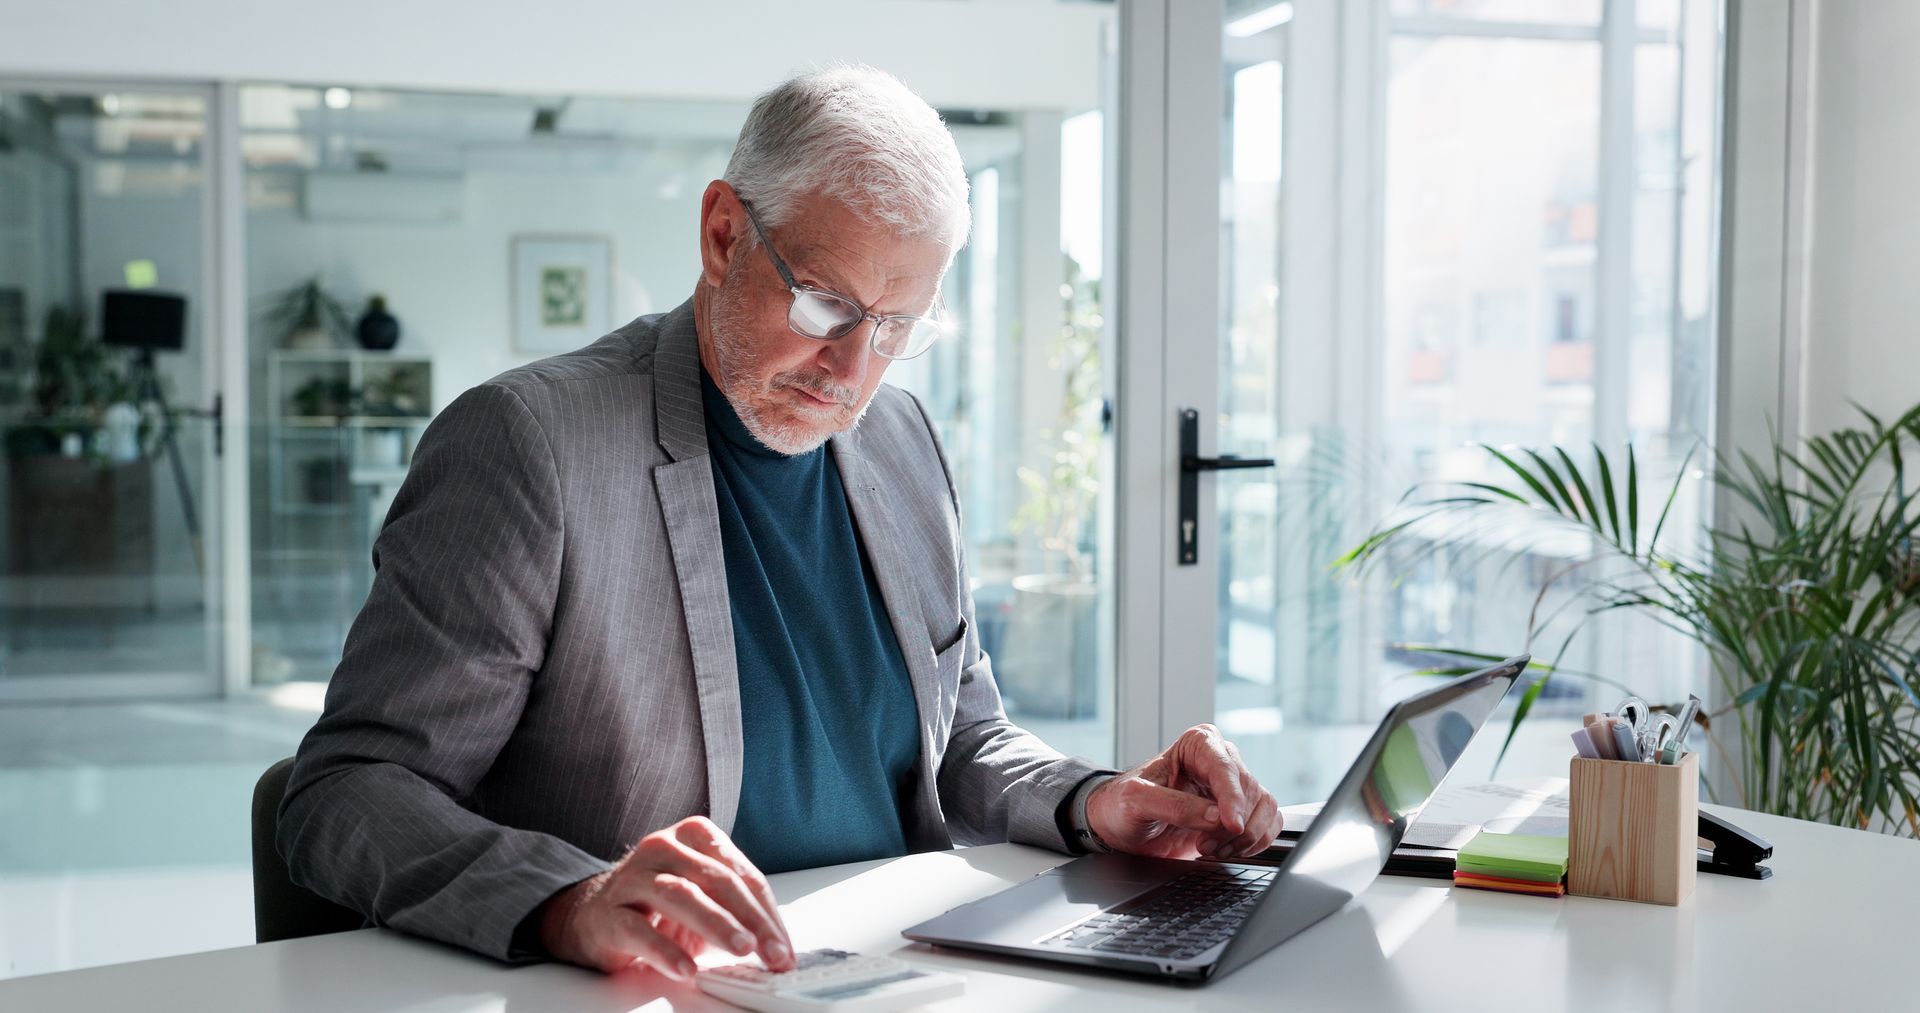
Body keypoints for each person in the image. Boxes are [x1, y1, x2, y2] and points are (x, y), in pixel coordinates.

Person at [279, 64, 1282, 983]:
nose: (853, 370)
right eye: (825, 304)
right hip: (668, 984)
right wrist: (566, 897)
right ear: (723, 234)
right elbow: (346, 789)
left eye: (899, 327)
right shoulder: (529, 444)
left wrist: (1093, 801)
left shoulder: (901, 437)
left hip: (901, 968)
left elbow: (963, 737)